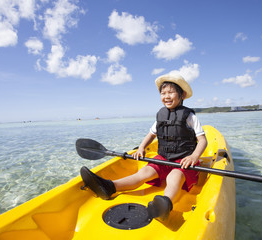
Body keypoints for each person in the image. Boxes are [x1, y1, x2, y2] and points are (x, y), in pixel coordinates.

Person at [80, 73, 207, 221]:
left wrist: (194, 156)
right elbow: (151, 135)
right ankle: (110, 187)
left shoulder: (190, 117)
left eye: (171, 92)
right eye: (163, 93)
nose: (166, 96)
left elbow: (202, 140)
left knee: (174, 177)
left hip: (183, 161)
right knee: (144, 172)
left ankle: (165, 203)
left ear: (182, 95)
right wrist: (141, 148)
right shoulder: (161, 115)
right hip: (164, 158)